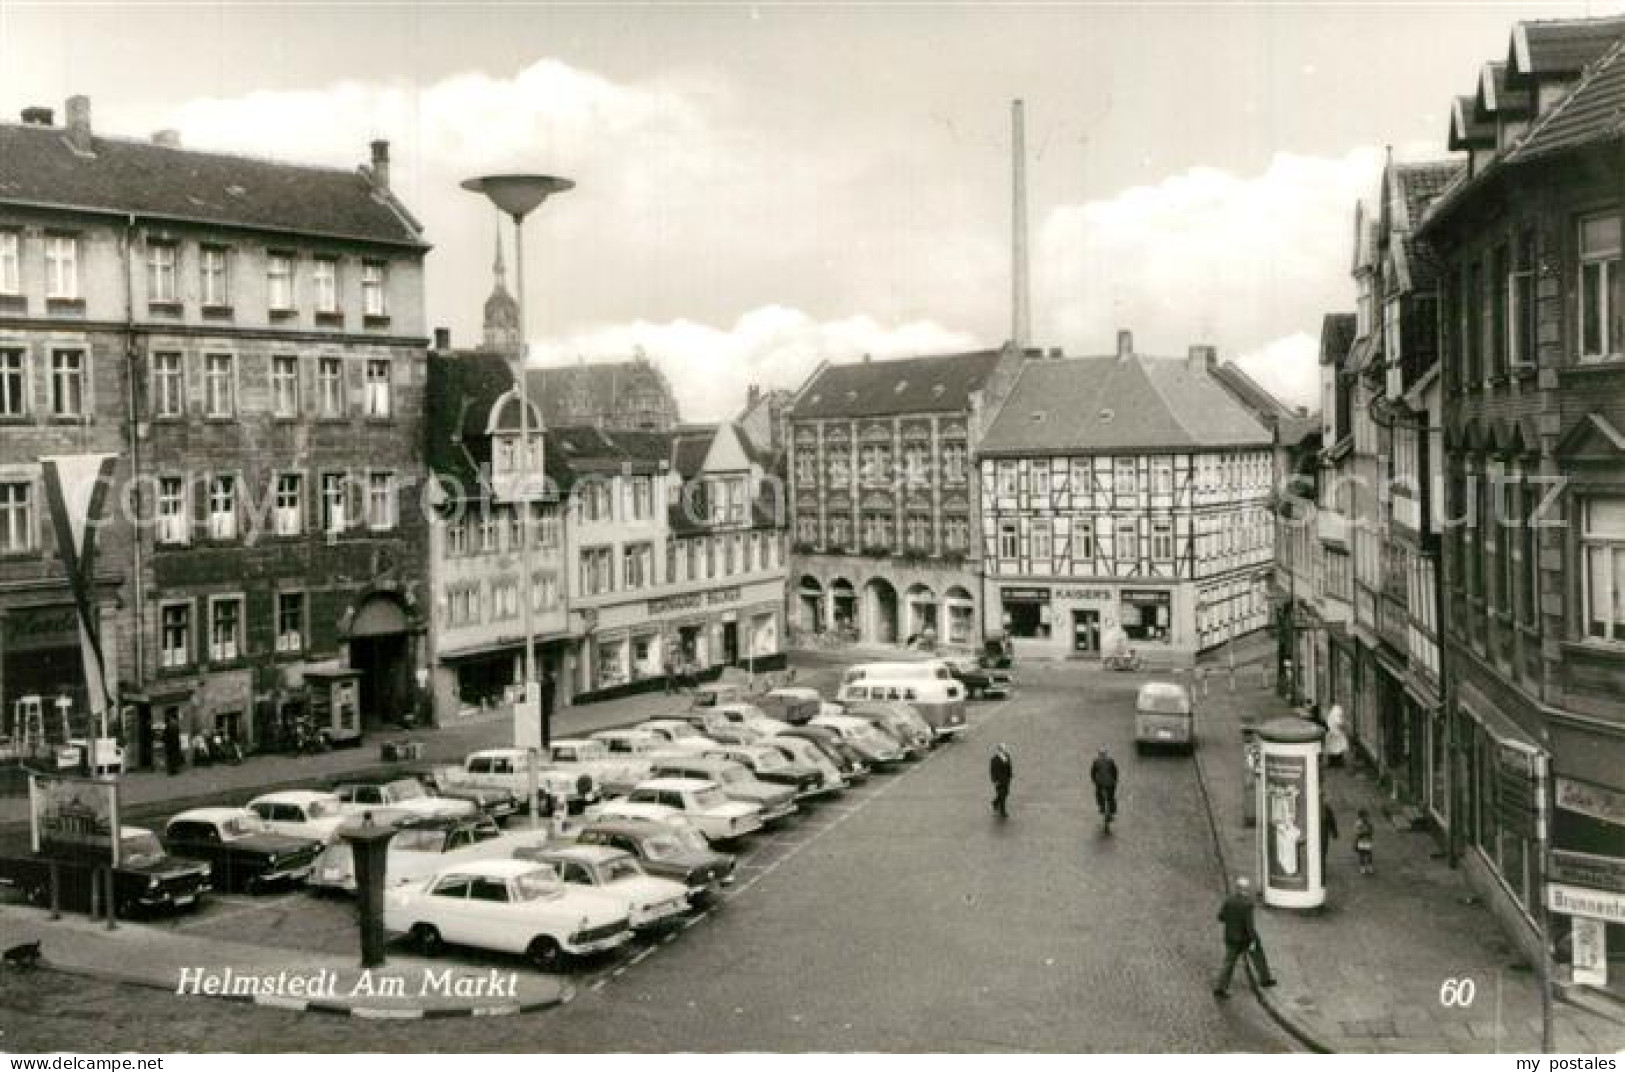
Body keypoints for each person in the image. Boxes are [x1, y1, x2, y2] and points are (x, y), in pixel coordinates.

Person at [1214, 876, 1276, 997]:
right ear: (1245, 889)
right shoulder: (1247, 904)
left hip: (1230, 937)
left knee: (1229, 963)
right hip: (1245, 939)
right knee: (1258, 956)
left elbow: (1220, 917)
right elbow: (1249, 926)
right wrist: (1253, 940)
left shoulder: (1229, 900)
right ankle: (1265, 979)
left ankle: (1221, 988)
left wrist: (1232, 922)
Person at [1090, 747, 1119, 821]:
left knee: (1098, 794)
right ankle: (1112, 810)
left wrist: (1094, 780)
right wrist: (1115, 780)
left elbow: (1093, 773)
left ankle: (1102, 807)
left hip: (1100, 782)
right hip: (1110, 782)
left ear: (1099, 754)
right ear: (1106, 754)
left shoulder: (1096, 762)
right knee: (1111, 797)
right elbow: (1115, 772)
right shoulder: (1110, 761)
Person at [989, 744, 1013, 818]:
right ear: (999, 750)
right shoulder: (994, 759)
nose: (1004, 750)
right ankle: (1002, 811)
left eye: (1004, 749)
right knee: (1002, 794)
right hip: (999, 780)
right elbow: (992, 771)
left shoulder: (1007, 756)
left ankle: (995, 802)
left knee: (1006, 793)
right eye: (1003, 749)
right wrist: (995, 780)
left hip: (1006, 779)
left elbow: (1009, 766)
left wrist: (1010, 774)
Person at [1324, 704, 1349, 769]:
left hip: (1330, 734)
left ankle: (1332, 762)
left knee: (1331, 749)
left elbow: (1327, 724)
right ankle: (1338, 762)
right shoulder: (1337, 718)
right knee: (1339, 749)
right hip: (1337, 734)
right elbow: (1341, 724)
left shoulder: (1330, 716)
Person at [1354, 809, 1375, 875]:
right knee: (1362, 854)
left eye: (1366, 816)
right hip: (1361, 840)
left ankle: (1369, 866)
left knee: (1369, 854)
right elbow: (1356, 832)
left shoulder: (1369, 823)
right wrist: (1362, 832)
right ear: (1360, 816)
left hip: (1368, 840)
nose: (1366, 817)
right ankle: (1362, 867)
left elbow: (1372, 830)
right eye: (1364, 816)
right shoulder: (1358, 823)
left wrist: (1370, 832)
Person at [1320, 799, 1339, 875]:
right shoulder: (1311, 807)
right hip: (1315, 834)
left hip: (1324, 834)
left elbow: (1331, 820)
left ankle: (1321, 869)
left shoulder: (1326, 808)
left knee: (1323, 853)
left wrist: (1334, 832)